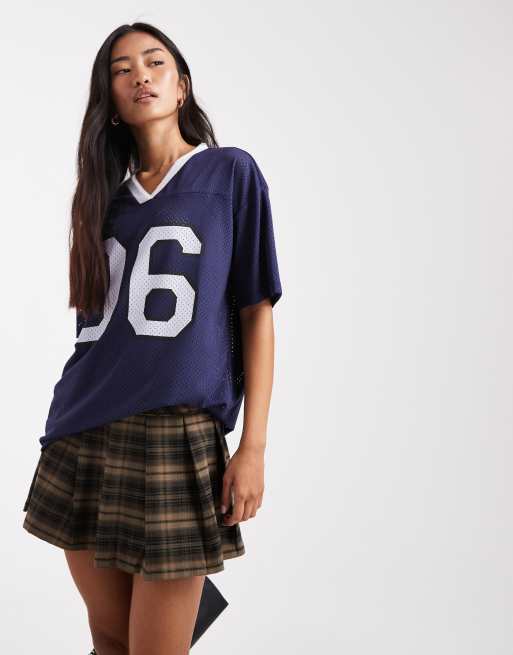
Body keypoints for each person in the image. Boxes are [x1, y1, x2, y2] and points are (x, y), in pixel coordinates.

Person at [21, 21, 283, 655]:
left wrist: (252, 447)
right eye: (122, 69)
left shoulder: (230, 173)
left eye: (154, 61)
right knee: (108, 640)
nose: (140, 75)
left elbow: (256, 311)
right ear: (110, 102)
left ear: (181, 85)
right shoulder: (102, 203)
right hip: (83, 431)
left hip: (177, 437)